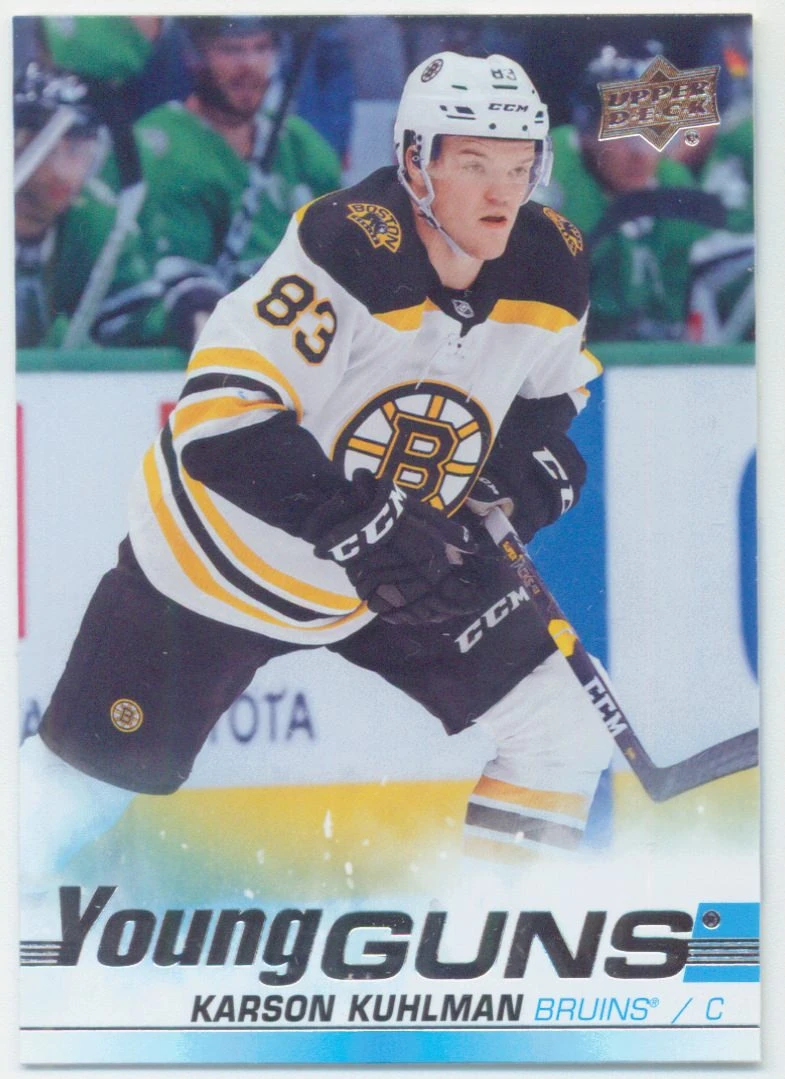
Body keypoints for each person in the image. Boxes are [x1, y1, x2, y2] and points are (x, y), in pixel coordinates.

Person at [20, 52, 613, 891]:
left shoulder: (550, 260)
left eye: (519, 168)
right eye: (475, 164)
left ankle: (497, 936)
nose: (501, 193)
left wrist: (518, 485)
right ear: (415, 161)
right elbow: (219, 422)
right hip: (213, 564)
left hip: (395, 571)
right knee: (78, 789)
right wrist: (360, 525)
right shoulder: (347, 244)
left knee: (562, 733)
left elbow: (546, 400)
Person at [105, 16, 342, 350]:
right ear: (194, 56)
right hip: (203, 348)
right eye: (231, 50)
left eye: (262, 48)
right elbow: (173, 285)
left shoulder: (302, 145)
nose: (250, 66)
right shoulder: (159, 148)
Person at [533, 42, 718, 342]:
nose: (640, 154)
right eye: (624, 133)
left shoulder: (674, 182)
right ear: (586, 130)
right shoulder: (547, 176)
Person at [14, 63, 158, 348]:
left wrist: (185, 308)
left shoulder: (95, 217)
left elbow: (137, 316)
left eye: (77, 149)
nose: (63, 171)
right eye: (46, 146)